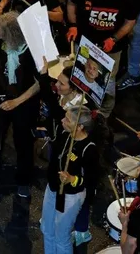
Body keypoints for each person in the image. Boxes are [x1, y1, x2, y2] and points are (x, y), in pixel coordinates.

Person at [0, 12, 39, 198]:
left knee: (23, 142)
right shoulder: (3, 44)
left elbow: (39, 83)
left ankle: (24, 180)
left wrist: (16, 102)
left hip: (24, 102)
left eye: (1, 33)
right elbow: (0, 65)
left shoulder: (31, 51)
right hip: (3, 96)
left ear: (13, 34)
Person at [39, 103, 96, 254]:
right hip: (53, 188)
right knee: (47, 229)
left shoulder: (89, 148)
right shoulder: (64, 134)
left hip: (71, 196)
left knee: (61, 236)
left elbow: (90, 180)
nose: (63, 120)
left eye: (68, 119)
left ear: (80, 127)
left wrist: (73, 179)